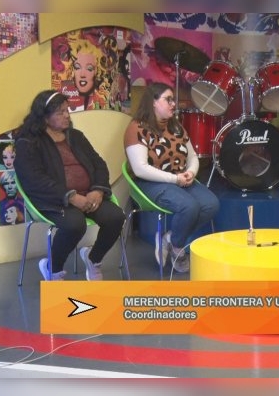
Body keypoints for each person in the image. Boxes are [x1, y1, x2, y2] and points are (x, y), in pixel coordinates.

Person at [14, 90, 126, 281]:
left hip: (88, 195)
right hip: (55, 200)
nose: (67, 115)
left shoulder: (76, 136)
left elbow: (99, 164)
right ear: (44, 117)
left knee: (116, 217)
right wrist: (71, 197)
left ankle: (93, 258)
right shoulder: (28, 142)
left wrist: (98, 190)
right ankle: (53, 268)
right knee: (75, 224)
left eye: (67, 110)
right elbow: (34, 180)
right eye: (60, 112)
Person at [124, 82, 219, 273]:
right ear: (153, 102)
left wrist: (191, 172)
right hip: (150, 182)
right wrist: (174, 179)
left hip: (179, 178)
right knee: (188, 206)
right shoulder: (137, 128)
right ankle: (178, 249)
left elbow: (192, 156)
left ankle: (171, 239)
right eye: (168, 100)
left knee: (211, 204)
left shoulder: (175, 126)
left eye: (172, 100)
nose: (173, 104)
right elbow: (140, 169)